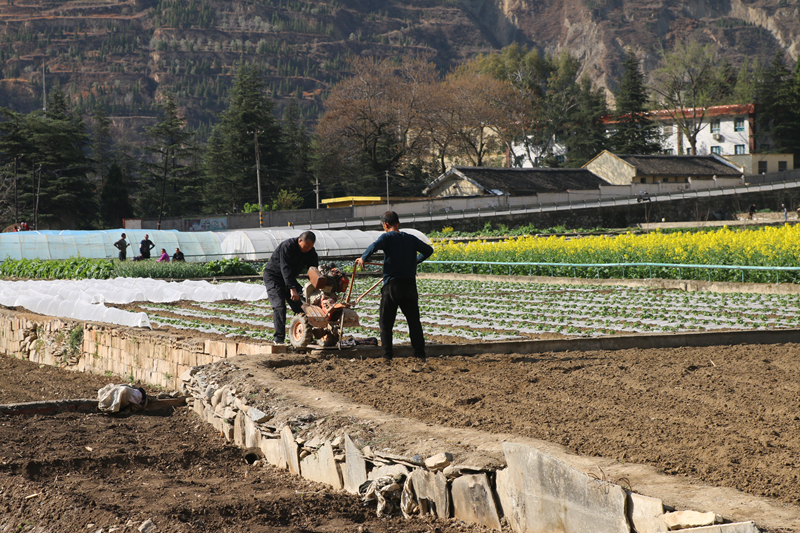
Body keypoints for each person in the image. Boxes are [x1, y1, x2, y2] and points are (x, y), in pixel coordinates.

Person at [356, 211, 433, 362]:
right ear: (398, 223)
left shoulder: (386, 237)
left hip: (393, 285)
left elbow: (374, 246)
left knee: (386, 322)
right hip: (410, 285)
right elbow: (428, 250)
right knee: (414, 321)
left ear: (385, 225)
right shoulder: (410, 238)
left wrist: (363, 258)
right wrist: (415, 261)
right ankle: (419, 354)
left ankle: (387, 356)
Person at [263, 231, 319, 344]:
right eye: (306, 246)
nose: (308, 249)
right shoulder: (287, 246)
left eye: (310, 247)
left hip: (289, 279)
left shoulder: (310, 251)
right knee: (279, 306)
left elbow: (313, 269)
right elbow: (285, 268)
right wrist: (292, 288)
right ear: (300, 241)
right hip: (274, 277)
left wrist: (317, 285)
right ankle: (278, 339)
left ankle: (306, 337)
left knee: (302, 306)